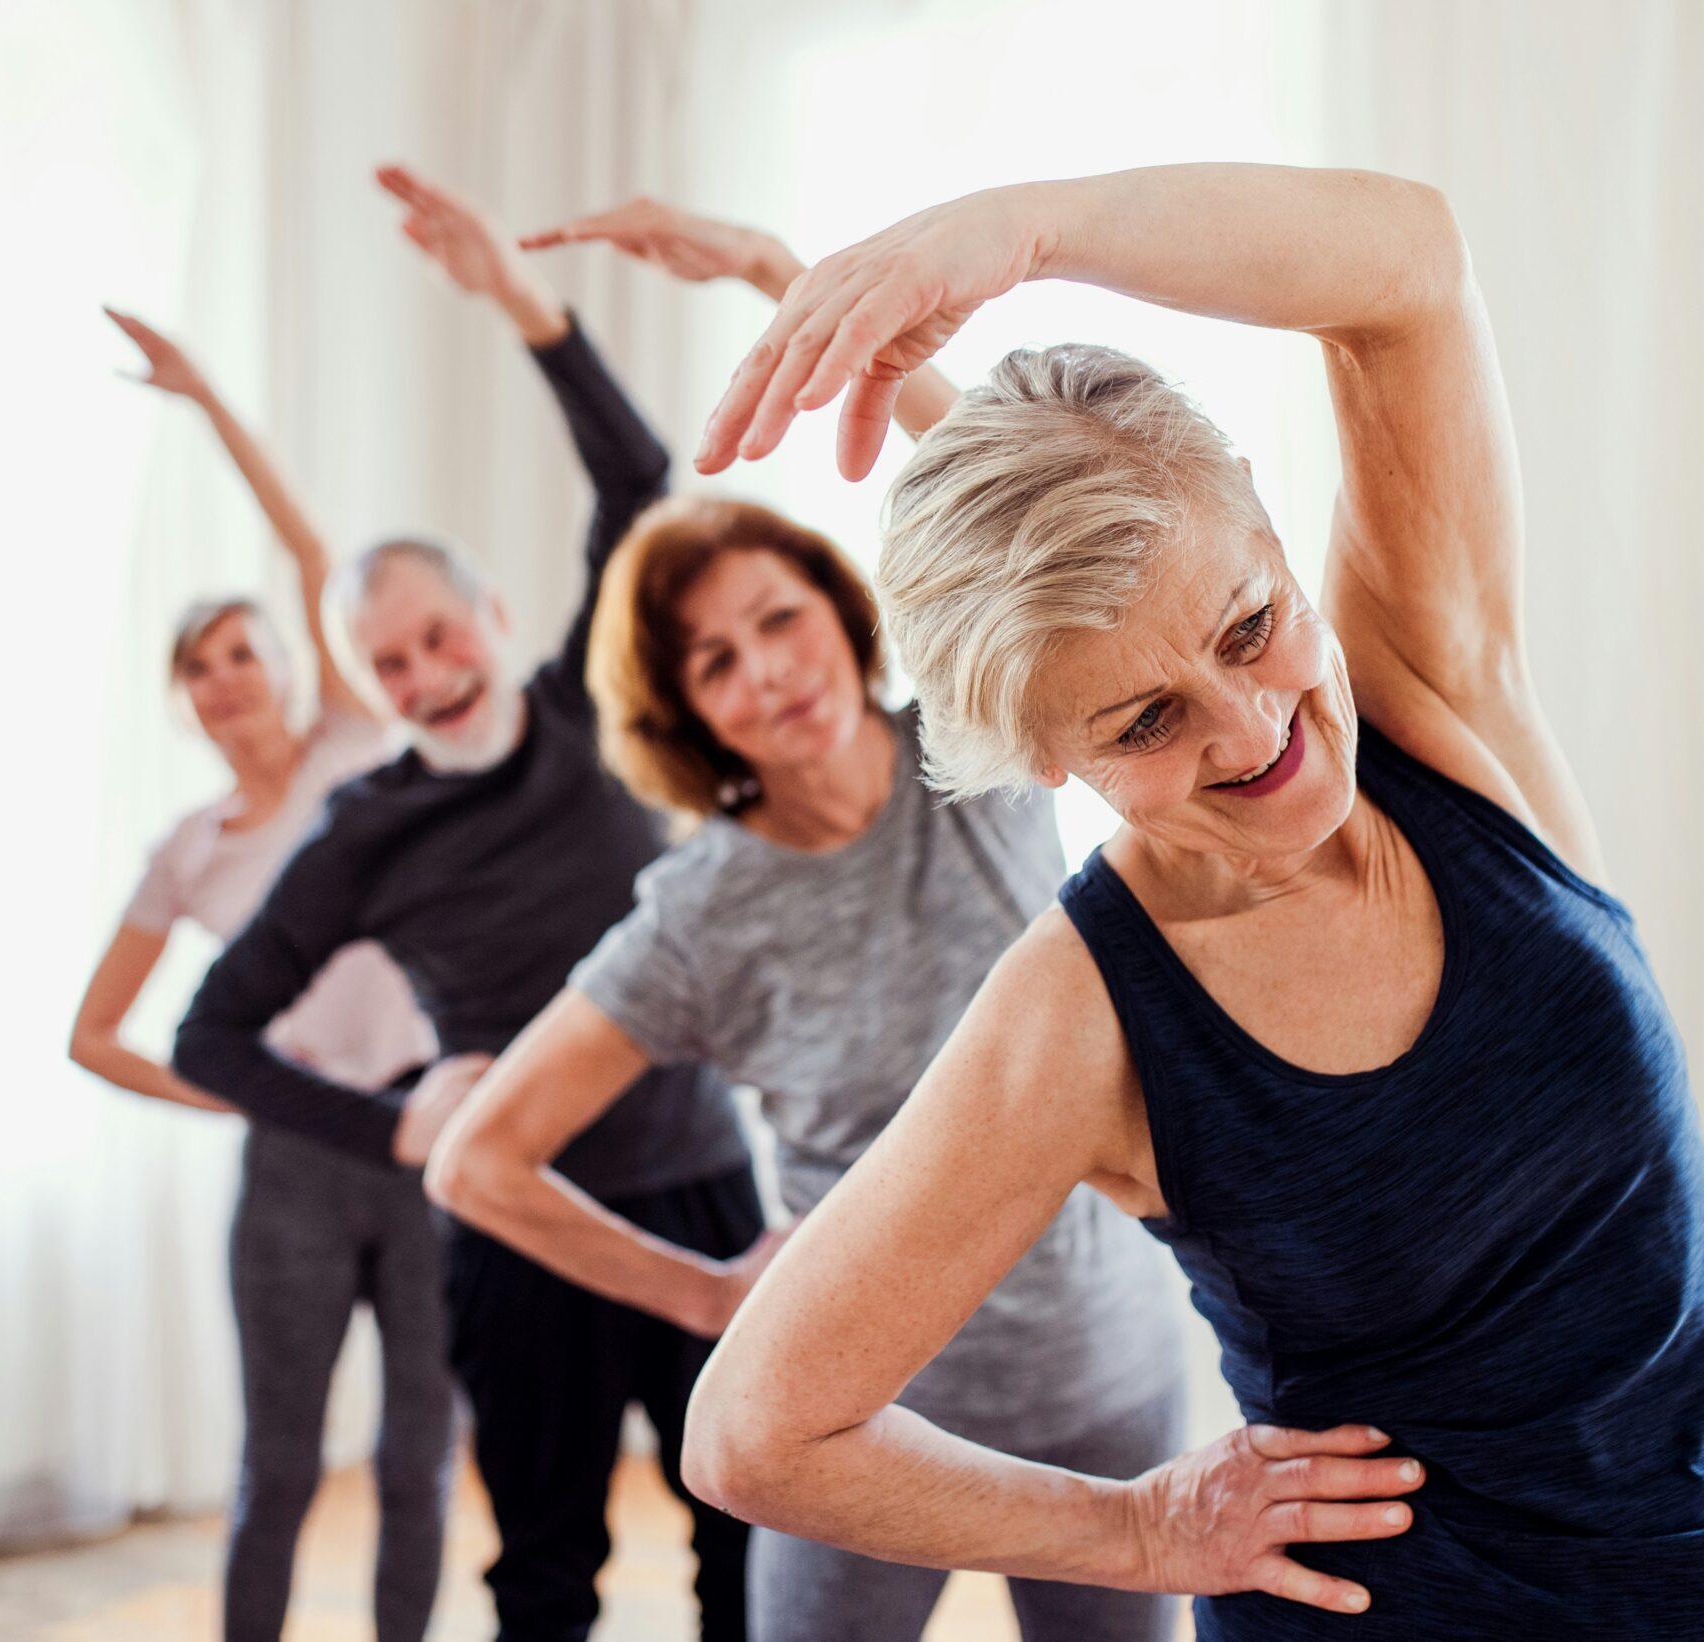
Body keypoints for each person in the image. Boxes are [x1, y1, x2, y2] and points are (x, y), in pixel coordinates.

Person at [677, 161, 1704, 1638]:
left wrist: (1030, 232)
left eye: (1250, 624)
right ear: (1049, 759)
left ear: (1281, 546)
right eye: (1143, 724)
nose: (1252, 732)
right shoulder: (1085, 1014)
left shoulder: (1433, 697)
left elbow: (1410, 262)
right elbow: (757, 1429)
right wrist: (1135, 1524)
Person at [426, 198, 1197, 1642]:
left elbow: (1017, 499)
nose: (765, 671)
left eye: (777, 619)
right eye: (716, 659)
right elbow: (480, 1160)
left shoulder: (972, 749)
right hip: (857, 1424)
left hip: (1103, 1381)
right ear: (686, 711)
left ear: (841, 616)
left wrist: (793, 281)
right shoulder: (699, 910)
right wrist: (710, 1294)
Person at [171, 165, 764, 1642]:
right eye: (390, 664)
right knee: (544, 1566)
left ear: (493, 616)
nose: (424, 673)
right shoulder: (365, 834)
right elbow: (210, 1032)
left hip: (696, 1178)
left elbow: (639, 483)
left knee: (749, 1531)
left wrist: (519, 299)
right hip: (517, 1222)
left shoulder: (585, 712)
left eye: (439, 635)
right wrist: (394, 1124)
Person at [66, 309, 452, 1642]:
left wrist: (206, 398)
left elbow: (309, 554)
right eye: (201, 668)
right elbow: (96, 1034)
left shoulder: (359, 746)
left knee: (418, 1462)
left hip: (423, 1137)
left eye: (245, 652)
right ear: (184, 701)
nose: (229, 679)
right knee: (277, 1466)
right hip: (292, 1169)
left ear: (289, 665)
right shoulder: (187, 850)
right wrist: (236, 1101)